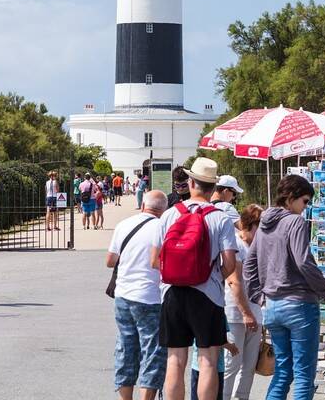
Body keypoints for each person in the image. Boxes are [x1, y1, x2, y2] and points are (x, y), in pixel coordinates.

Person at [244, 174, 325, 400]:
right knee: (303, 375)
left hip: (272, 306)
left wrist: (260, 297)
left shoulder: (264, 225)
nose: (305, 207)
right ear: (291, 198)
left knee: (282, 372)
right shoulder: (295, 221)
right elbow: (303, 262)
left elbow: (249, 266)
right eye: (305, 201)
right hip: (299, 306)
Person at [150, 157, 238, 400]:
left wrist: (175, 274)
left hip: (173, 294)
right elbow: (230, 263)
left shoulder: (169, 215)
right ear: (213, 187)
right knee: (208, 360)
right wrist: (213, 276)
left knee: (175, 360)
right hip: (208, 296)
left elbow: (154, 260)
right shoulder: (220, 218)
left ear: (190, 183)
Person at [108, 190, 170, 400]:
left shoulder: (123, 225)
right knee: (153, 351)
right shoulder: (163, 227)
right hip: (151, 296)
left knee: (126, 347)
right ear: (164, 210)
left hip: (123, 294)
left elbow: (110, 260)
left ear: (143, 205)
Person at [223, 204, 264, 400]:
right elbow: (234, 281)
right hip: (236, 313)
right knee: (232, 364)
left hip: (255, 311)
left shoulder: (257, 246)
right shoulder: (236, 244)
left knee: (249, 365)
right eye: (260, 228)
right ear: (250, 225)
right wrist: (246, 313)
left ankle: (241, 397)